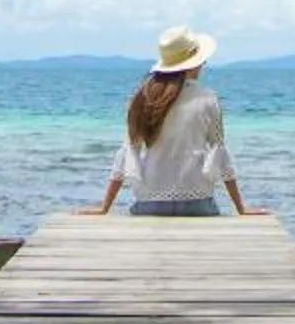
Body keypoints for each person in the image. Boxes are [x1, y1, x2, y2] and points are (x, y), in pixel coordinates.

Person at [87, 25, 266, 218]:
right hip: (197, 201)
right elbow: (219, 152)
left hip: (150, 201)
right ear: (193, 64)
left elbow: (128, 152)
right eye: (201, 60)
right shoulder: (207, 98)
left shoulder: (143, 98)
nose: (203, 64)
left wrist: (105, 207)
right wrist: (241, 207)